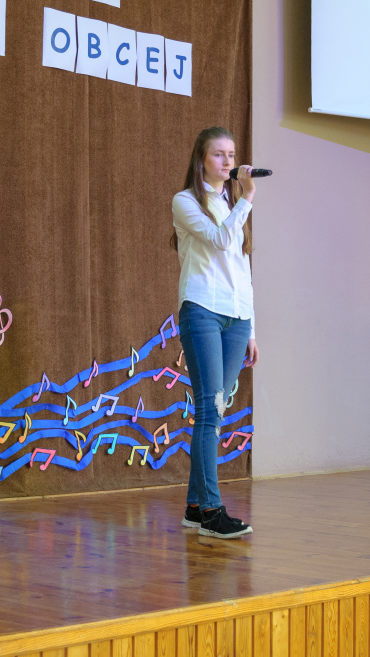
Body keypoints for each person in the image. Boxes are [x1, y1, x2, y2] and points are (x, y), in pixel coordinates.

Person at [171, 127, 259, 539]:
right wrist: (247, 198)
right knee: (209, 409)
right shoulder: (186, 202)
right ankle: (211, 511)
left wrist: (252, 328)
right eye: (219, 154)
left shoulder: (231, 203)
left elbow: (242, 269)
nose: (228, 161)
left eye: (232, 155)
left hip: (236, 317)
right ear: (201, 160)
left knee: (217, 411)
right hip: (203, 310)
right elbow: (223, 241)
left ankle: (194, 507)